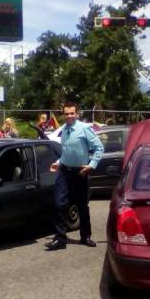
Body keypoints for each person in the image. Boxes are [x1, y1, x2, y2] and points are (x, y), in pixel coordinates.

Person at [45, 102, 104, 250]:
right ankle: (60, 239)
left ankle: (86, 237)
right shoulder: (63, 130)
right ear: (63, 115)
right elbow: (66, 153)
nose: (69, 116)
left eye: (72, 113)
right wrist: (58, 162)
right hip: (64, 171)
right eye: (67, 114)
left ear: (77, 114)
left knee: (82, 206)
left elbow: (99, 148)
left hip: (80, 172)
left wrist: (92, 165)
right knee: (59, 204)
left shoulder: (85, 129)